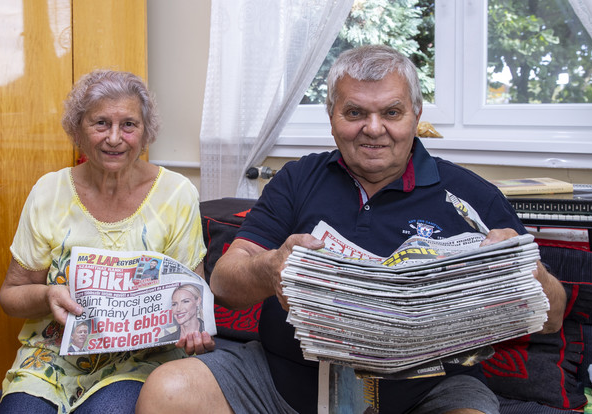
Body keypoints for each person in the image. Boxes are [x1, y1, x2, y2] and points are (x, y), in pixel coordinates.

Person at [137, 45, 567, 414]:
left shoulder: (473, 195)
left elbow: (552, 319)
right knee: (168, 392)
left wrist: (527, 273)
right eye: (355, 112)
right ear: (332, 117)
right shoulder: (296, 178)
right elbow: (226, 283)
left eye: (392, 112)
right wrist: (271, 268)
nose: (373, 128)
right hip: (281, 379)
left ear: (415, 115)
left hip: (424, 392)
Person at [0, 69, 214, 414]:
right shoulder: (48, 192)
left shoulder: (177, 194)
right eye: (100, 123)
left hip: (141, 360)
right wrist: (47, 295)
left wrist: (194, 324)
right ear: (77, 130)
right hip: (54, 356)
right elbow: (10, 297)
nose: (115, 138)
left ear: (145, 133)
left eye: (129, 125)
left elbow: (194, 289)